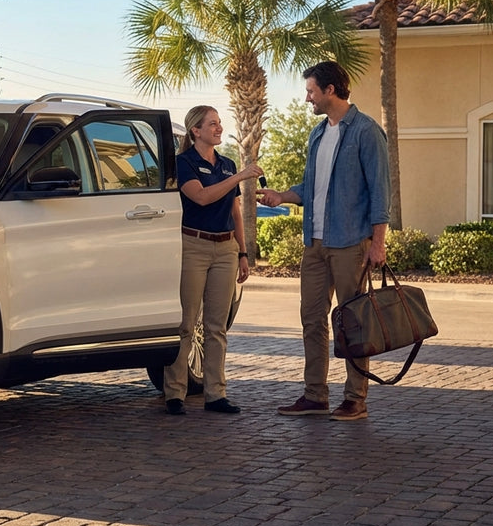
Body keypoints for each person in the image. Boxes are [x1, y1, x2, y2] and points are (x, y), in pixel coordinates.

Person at [257, 60, 391, 421]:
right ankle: (315, 395)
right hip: (314, 245)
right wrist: (282, 196)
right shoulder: (317, 133)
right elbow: (313, 189)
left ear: (330, 90)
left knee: (353, 321)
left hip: (350, 242)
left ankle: (355, 398)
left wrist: (377, 243)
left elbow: (381, 193)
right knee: (311, 319)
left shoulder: (366, 132)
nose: (307, 99)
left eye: (311, 91)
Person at [165, 105, 263, 415]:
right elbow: (202, 197)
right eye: (212, 124)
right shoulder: (183, 163)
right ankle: (175, 394)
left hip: (226, 250)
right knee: (185, 324)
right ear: (195, 130)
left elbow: (235, 212)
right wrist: (240, 177)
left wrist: (243, 252)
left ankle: (215, 394)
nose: (219, 128)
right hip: (192, 246)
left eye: (220, 123)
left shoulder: (226, 164)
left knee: (216, 327)